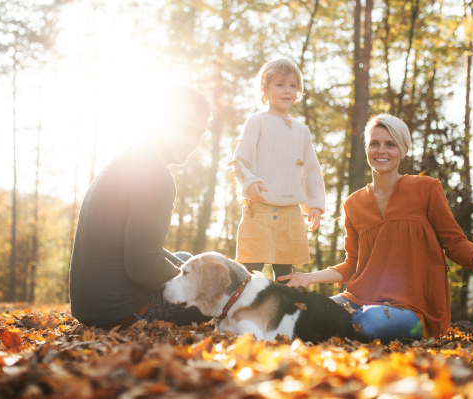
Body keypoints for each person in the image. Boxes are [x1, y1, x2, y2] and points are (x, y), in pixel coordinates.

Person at [278, 114, 473, 341]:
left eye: (391, 144)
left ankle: (339, 326)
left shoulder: (426, 189)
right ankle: (333, 324)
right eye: (375, 143)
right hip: (356, 299)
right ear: (366, 147)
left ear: (404, 150)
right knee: (304, 312)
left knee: (370, 322)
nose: (382, 150)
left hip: (414, 309)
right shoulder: (353, 203)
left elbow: (454, 243)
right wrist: (308, 277)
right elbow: (353, 265)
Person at [69, 85, 213, 330]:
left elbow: (144, 250)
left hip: (90, 306)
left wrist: (189, 272)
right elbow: (143, 266)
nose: (192, 142)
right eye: (186, 129)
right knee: (211, 292)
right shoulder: (155, 174)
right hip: (122, 310)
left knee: (189, 261)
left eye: (198, 134)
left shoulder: (131, 159)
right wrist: (205, 290)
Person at [230, 59, 326, 282]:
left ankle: (288, 314)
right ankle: (239, 313)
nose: (287, 91)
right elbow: (240, 160)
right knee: (248, 274)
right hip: (260, 209)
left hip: (290, 213)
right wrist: (250, 182)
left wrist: (315, 204)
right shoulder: (257, 122)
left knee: (286, 278)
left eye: (293, 85)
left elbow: (311, 170)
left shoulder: (302, 131)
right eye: (280, 84)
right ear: (265, 89)